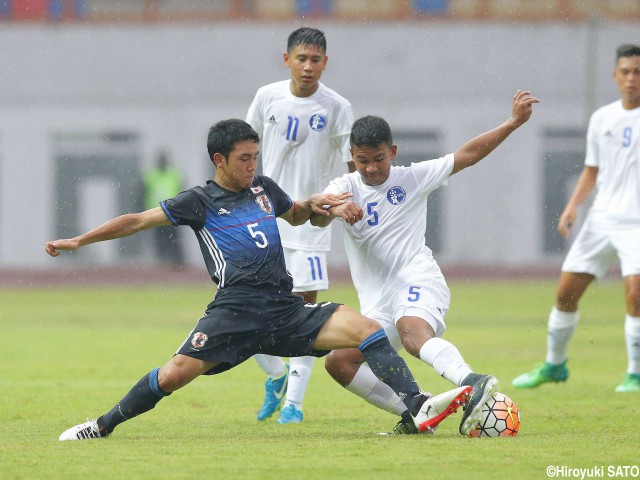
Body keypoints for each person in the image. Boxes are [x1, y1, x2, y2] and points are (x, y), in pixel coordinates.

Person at [48, 119, 472, 441]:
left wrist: (319, 204)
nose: (253, 166)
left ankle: (415, 408)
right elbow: (138, 220)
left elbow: (299, 213)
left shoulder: (264, 190)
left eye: (256, 157)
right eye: (244, 159)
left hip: (284, 308)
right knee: (173, 375)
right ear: (220, 160)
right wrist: (81, 240)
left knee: (365, 331)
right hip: (233, 313)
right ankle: (100, 427)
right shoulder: (199, 201)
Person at [310, 90, 540, 435]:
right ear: (352, 157)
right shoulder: (344, 187)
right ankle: (418, 410)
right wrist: (335, 209)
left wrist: (512, 123)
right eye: (362, 160)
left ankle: (473, 380)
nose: (371, 168)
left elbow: (468, 155)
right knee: (340, 361)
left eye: (378, 158)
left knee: (413, 333)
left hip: (417, 280)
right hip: (377, 304)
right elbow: (316, 216)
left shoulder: (412, 177)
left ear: (393, 152)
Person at [512, 44, 640, 393]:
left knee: (635, 297)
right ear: (616, 76)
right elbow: (592, 169)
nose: (632, 79)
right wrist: (573, 207)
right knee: (566, 294)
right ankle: (554, 366)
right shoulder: (602, 119)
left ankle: (635, 374)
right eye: (626, 72)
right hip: (601, 221)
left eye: (638, 72)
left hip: (637, 225)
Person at [245, 27, 355, 423]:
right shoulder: (266, 96)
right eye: (301, 59)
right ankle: (275, 375)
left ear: (326, 62)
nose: (308, 67)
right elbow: (247, 152)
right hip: (265, 218)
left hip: (310, 224)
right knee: (241, 306)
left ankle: (294, 404)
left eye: (316, 60)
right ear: (286, 59)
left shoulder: (338, 107)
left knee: (305, 313)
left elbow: (352, 168)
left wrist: (343, 206)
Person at [143, 149, 184, 266]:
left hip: (173, 211)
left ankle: (177, 261)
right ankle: (163, 261)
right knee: (160, 239)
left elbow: (182, 191)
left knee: (174, 238)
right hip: (156, 212)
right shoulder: (151, 175)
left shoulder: (174, 174)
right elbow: (143, 192)